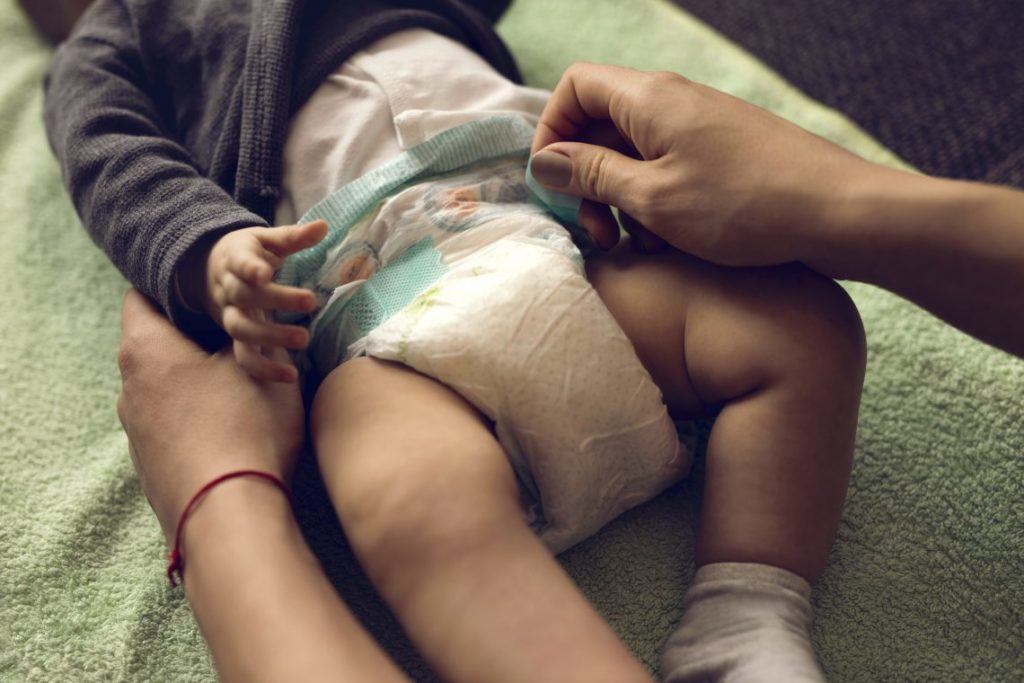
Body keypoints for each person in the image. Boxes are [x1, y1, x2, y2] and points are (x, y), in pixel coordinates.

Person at [50, 2, 868, 681]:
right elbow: (109, 159)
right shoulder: (119, 31)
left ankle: (744, 613)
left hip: (558, 235)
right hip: (376, 309)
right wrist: (208, 250)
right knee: (401, 493)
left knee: (803, 322)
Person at [528, 63, 1024, 360]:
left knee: (811, 322)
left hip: (515, 277)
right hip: (454, 287)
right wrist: (828, 200)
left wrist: (825, 200)